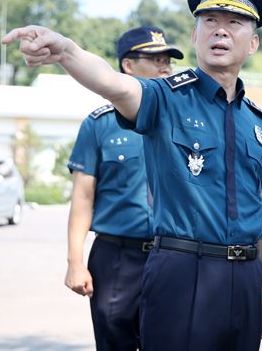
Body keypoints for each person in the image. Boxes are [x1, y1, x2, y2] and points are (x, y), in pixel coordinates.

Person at [3, 0, 262, 351]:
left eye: (235, 22)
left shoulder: (261, 126)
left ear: (252, 43)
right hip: (184, 272)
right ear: (194, 35)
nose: (221, 30)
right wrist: (67, 51)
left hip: (245, 278)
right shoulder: (165, 98)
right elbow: (113, 83)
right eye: (211, 21)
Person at [64, 26, 183, 351]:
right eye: (156, 59)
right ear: (128, 66)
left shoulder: (183, 120)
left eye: (168, 60)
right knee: (115, 343)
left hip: (173, 255)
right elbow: (83, 197)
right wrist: (75, 261)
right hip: (117, 257)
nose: (165, 67)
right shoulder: (100, 124)